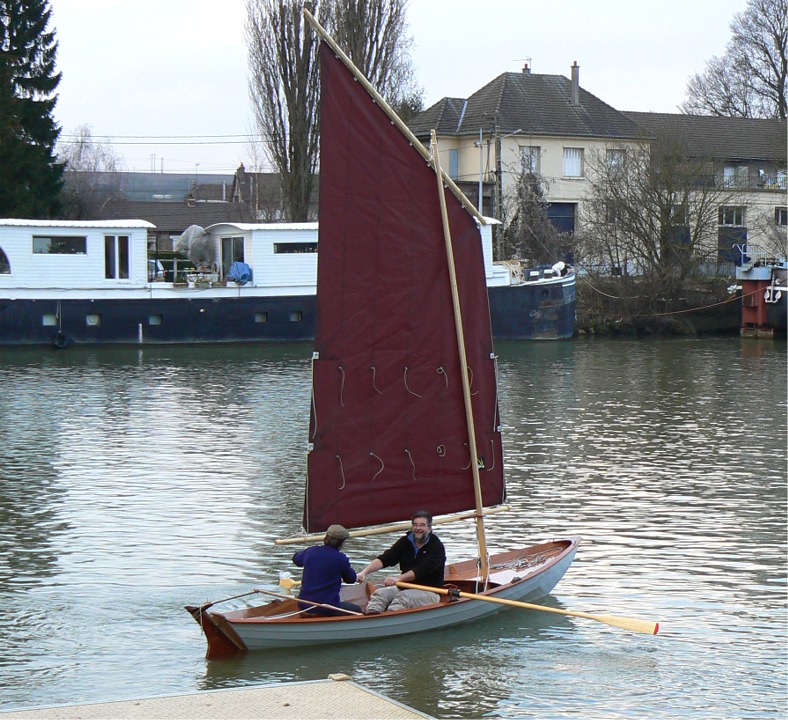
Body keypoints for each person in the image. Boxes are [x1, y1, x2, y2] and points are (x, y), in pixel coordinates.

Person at [357, 510, 446, 614]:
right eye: (415, 525)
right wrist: (364, 572)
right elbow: (386, 558)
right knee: (380, 594)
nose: (418, 528)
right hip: (404, 587)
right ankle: (371, 617)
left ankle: (388, 619)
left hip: (430, 592)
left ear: (429, 528)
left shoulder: (436, 547)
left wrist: (398, 578)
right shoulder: (405, 541)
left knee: (403, 598)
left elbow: (421, 570)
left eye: (422, 525)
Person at [292, 524, 361, 616]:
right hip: (327, 608)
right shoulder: (341, 558)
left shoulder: (310, 552)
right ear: (342, 543)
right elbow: (351, 579)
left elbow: (296, 559)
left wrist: (305, 553)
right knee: (357, 609)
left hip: (304, 605)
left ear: (326, 537)